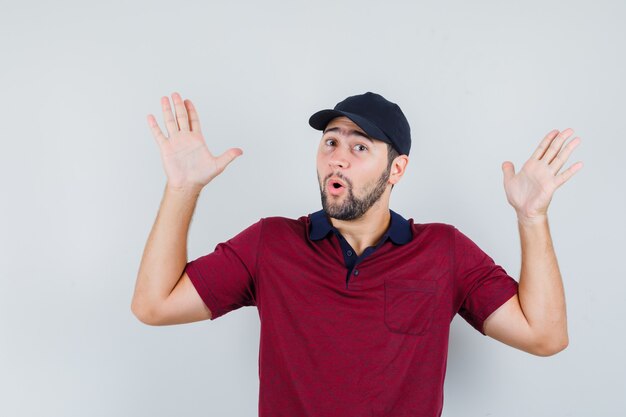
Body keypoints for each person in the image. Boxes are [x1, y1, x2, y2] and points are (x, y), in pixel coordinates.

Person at [131, 91, 583, 417]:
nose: (338, 159)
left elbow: (545, 336)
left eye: (359, 147)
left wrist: (531, 218)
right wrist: (182, 189)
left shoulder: (443, 252)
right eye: (331, 142)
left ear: (397, 169)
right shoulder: (270, 244)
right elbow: (154, 305)